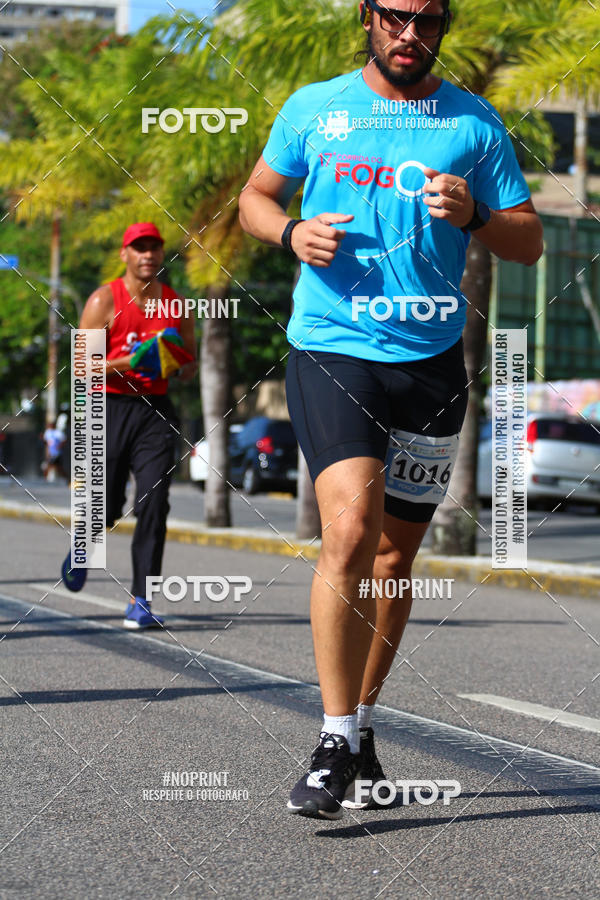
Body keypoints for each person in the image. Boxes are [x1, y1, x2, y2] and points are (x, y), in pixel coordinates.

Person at [239, 0, 543, 819]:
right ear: (369, 17)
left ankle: (363, 722)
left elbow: (528, 239)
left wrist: (476, 214)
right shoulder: (316, 108)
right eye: (397, 17)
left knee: (392, 562)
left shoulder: (474, 126)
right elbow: (255, 199)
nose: (412, 34)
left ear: (443, 26)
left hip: (434, 363)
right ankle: (334, 739)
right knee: (348, 532)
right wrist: (291, 233)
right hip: (335, 348)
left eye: (429, 20)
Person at [60, 222, 197, 629]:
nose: (147, 255)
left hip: (155, 410)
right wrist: (129, 362)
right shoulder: (104, 299)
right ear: (125, 254)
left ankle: (142, 599)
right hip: (108, 408)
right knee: (107, 506)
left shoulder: (176, 305)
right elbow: (82, 367)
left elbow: (189, 368)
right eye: (139, 248)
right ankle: (83, 547)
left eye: (154, 248)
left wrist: (172, 361)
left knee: (154, 502)